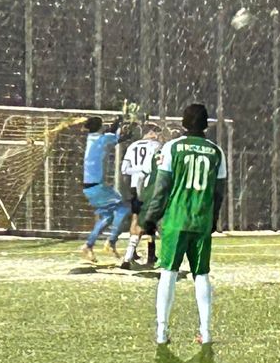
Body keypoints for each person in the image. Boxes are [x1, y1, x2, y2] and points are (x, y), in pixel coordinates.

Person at [138, 102, 227, 346]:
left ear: (184, 123)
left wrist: (150, 218)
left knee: (168, 273)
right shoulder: (216, 152)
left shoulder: (172, 147)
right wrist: (213, 219)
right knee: (202, 274)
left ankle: (162, 331)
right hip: (201, 219)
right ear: (206, 125)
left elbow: (162, 187)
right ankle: (205, 332)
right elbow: (219, 193)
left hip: (176, 219)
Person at [79, 109, 132, 265]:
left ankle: (88, 245)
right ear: (100, 127)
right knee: (123, 208)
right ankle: (111, 242)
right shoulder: (103, 139)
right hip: (97, 186)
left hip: (89, 186)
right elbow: (119, 137)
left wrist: (118, 121)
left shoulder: (92, 138)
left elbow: (110, 133)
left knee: (108, 217)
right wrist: (127, 127)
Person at [117, 123, 165, 269]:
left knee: (137, 219)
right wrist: (145, 171)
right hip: (151, 186)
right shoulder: (157, 146)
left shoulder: (133, 146)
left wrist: (137, 172)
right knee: (157, 220)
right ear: (150, 132)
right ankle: (157, 255)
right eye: (156, 131)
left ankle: (131, 255)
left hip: (135, 186)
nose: (158, 135)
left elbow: (124, 169)